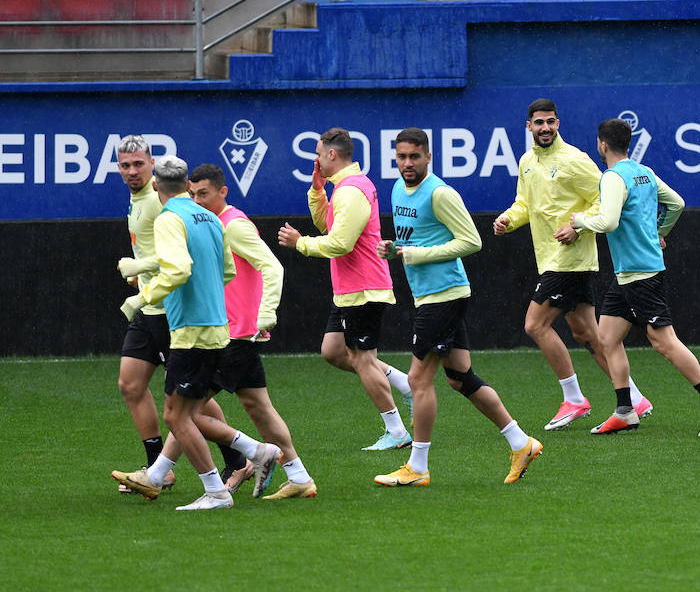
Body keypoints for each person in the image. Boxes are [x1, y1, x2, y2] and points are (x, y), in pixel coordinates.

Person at [372, 129, 542, 487]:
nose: (407, 164)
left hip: (444, 295)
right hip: (429, 295)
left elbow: (471, 241)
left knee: (418, 379)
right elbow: (412, 241)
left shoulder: (440, 193)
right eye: (401, 157)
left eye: (414, 157)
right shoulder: (398, 189)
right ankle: (521, 442)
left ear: (428, 157)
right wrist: (395, 249)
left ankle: (417, 467)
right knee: (460, 377)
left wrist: (412, 254)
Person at [112, 157, 282, 511]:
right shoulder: (210, 218)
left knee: (177, 416)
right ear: (188, 186)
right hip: (218, 327)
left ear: (156, 186)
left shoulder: (169, 218)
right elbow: (228, 271)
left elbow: (177, 270)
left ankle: (218, 490)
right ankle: (254, 453)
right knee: (186, 412)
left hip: (191, 330)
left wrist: (139, 298)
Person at [494, 98, 651, 430]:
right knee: (588, 334)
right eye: (539, 123)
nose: (545, 128)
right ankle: (634, 397)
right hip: (551, 258)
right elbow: (525, 203)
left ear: (558, 124)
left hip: (571, 258)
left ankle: (575, 399)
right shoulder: (526, 162)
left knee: (535, 325)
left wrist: (578, 227)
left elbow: (603, 200)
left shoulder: (575, 160)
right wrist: (509, 218)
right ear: (529, 127)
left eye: (551, 121)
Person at [567, 119, 700, 436]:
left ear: (602, 144)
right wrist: (658, 233)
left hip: (640, 274)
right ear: (627, 143)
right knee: (607, 338)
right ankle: (625, 410)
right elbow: (677, 203)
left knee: (663, 341)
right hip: (628, 274)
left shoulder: (612, 177)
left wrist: (580, 221)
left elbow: (609, 221)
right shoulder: (644, 172)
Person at [187, 164, 318, 499]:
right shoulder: (215, 224)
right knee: (257, 406)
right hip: (235, 332)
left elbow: (272, 266)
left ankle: (159, 474)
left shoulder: (234, 225)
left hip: (234, 335)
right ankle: (300, 478)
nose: (197, 200)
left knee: (182, 411)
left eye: (204, 194)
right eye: (193, 194)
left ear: (222, 192)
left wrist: (266, 313)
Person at [278, 128, 413, 451]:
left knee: (363, 358)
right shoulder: (343, 188)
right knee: (334, 351)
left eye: (319, 153)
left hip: (364, 289)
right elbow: (329, 226)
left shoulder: (352, 190)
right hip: (351, 289)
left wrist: (300, 244)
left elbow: (339, 243)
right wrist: (316, 192)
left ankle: (396, 432)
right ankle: (404, 383)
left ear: (332, 155)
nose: (316, 159)